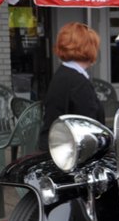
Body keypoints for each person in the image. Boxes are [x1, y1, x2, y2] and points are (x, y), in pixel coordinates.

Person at [38, 22, 105, 150]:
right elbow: (89, 129)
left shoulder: (63, 73)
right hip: (69, 153)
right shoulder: (78, 82)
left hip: (56, 147)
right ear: (89, 48)